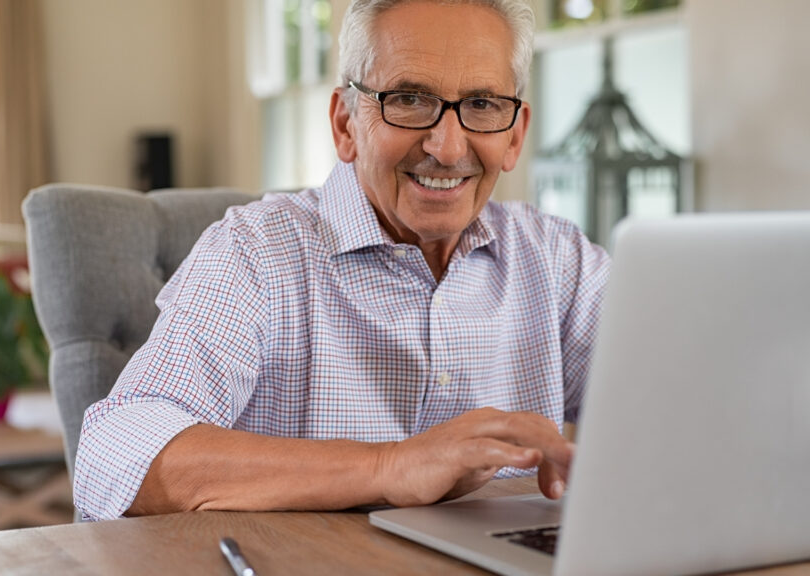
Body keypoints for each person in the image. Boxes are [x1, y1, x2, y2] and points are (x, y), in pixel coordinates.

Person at [74, 0, 611, 520]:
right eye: (408, 98)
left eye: (483, 105)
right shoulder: (256, 251)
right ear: (346, 124)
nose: (448, 148)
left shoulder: (559, 261)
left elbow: (681, 411)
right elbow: (114, 456)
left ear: (514, 134)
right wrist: (390, 466)